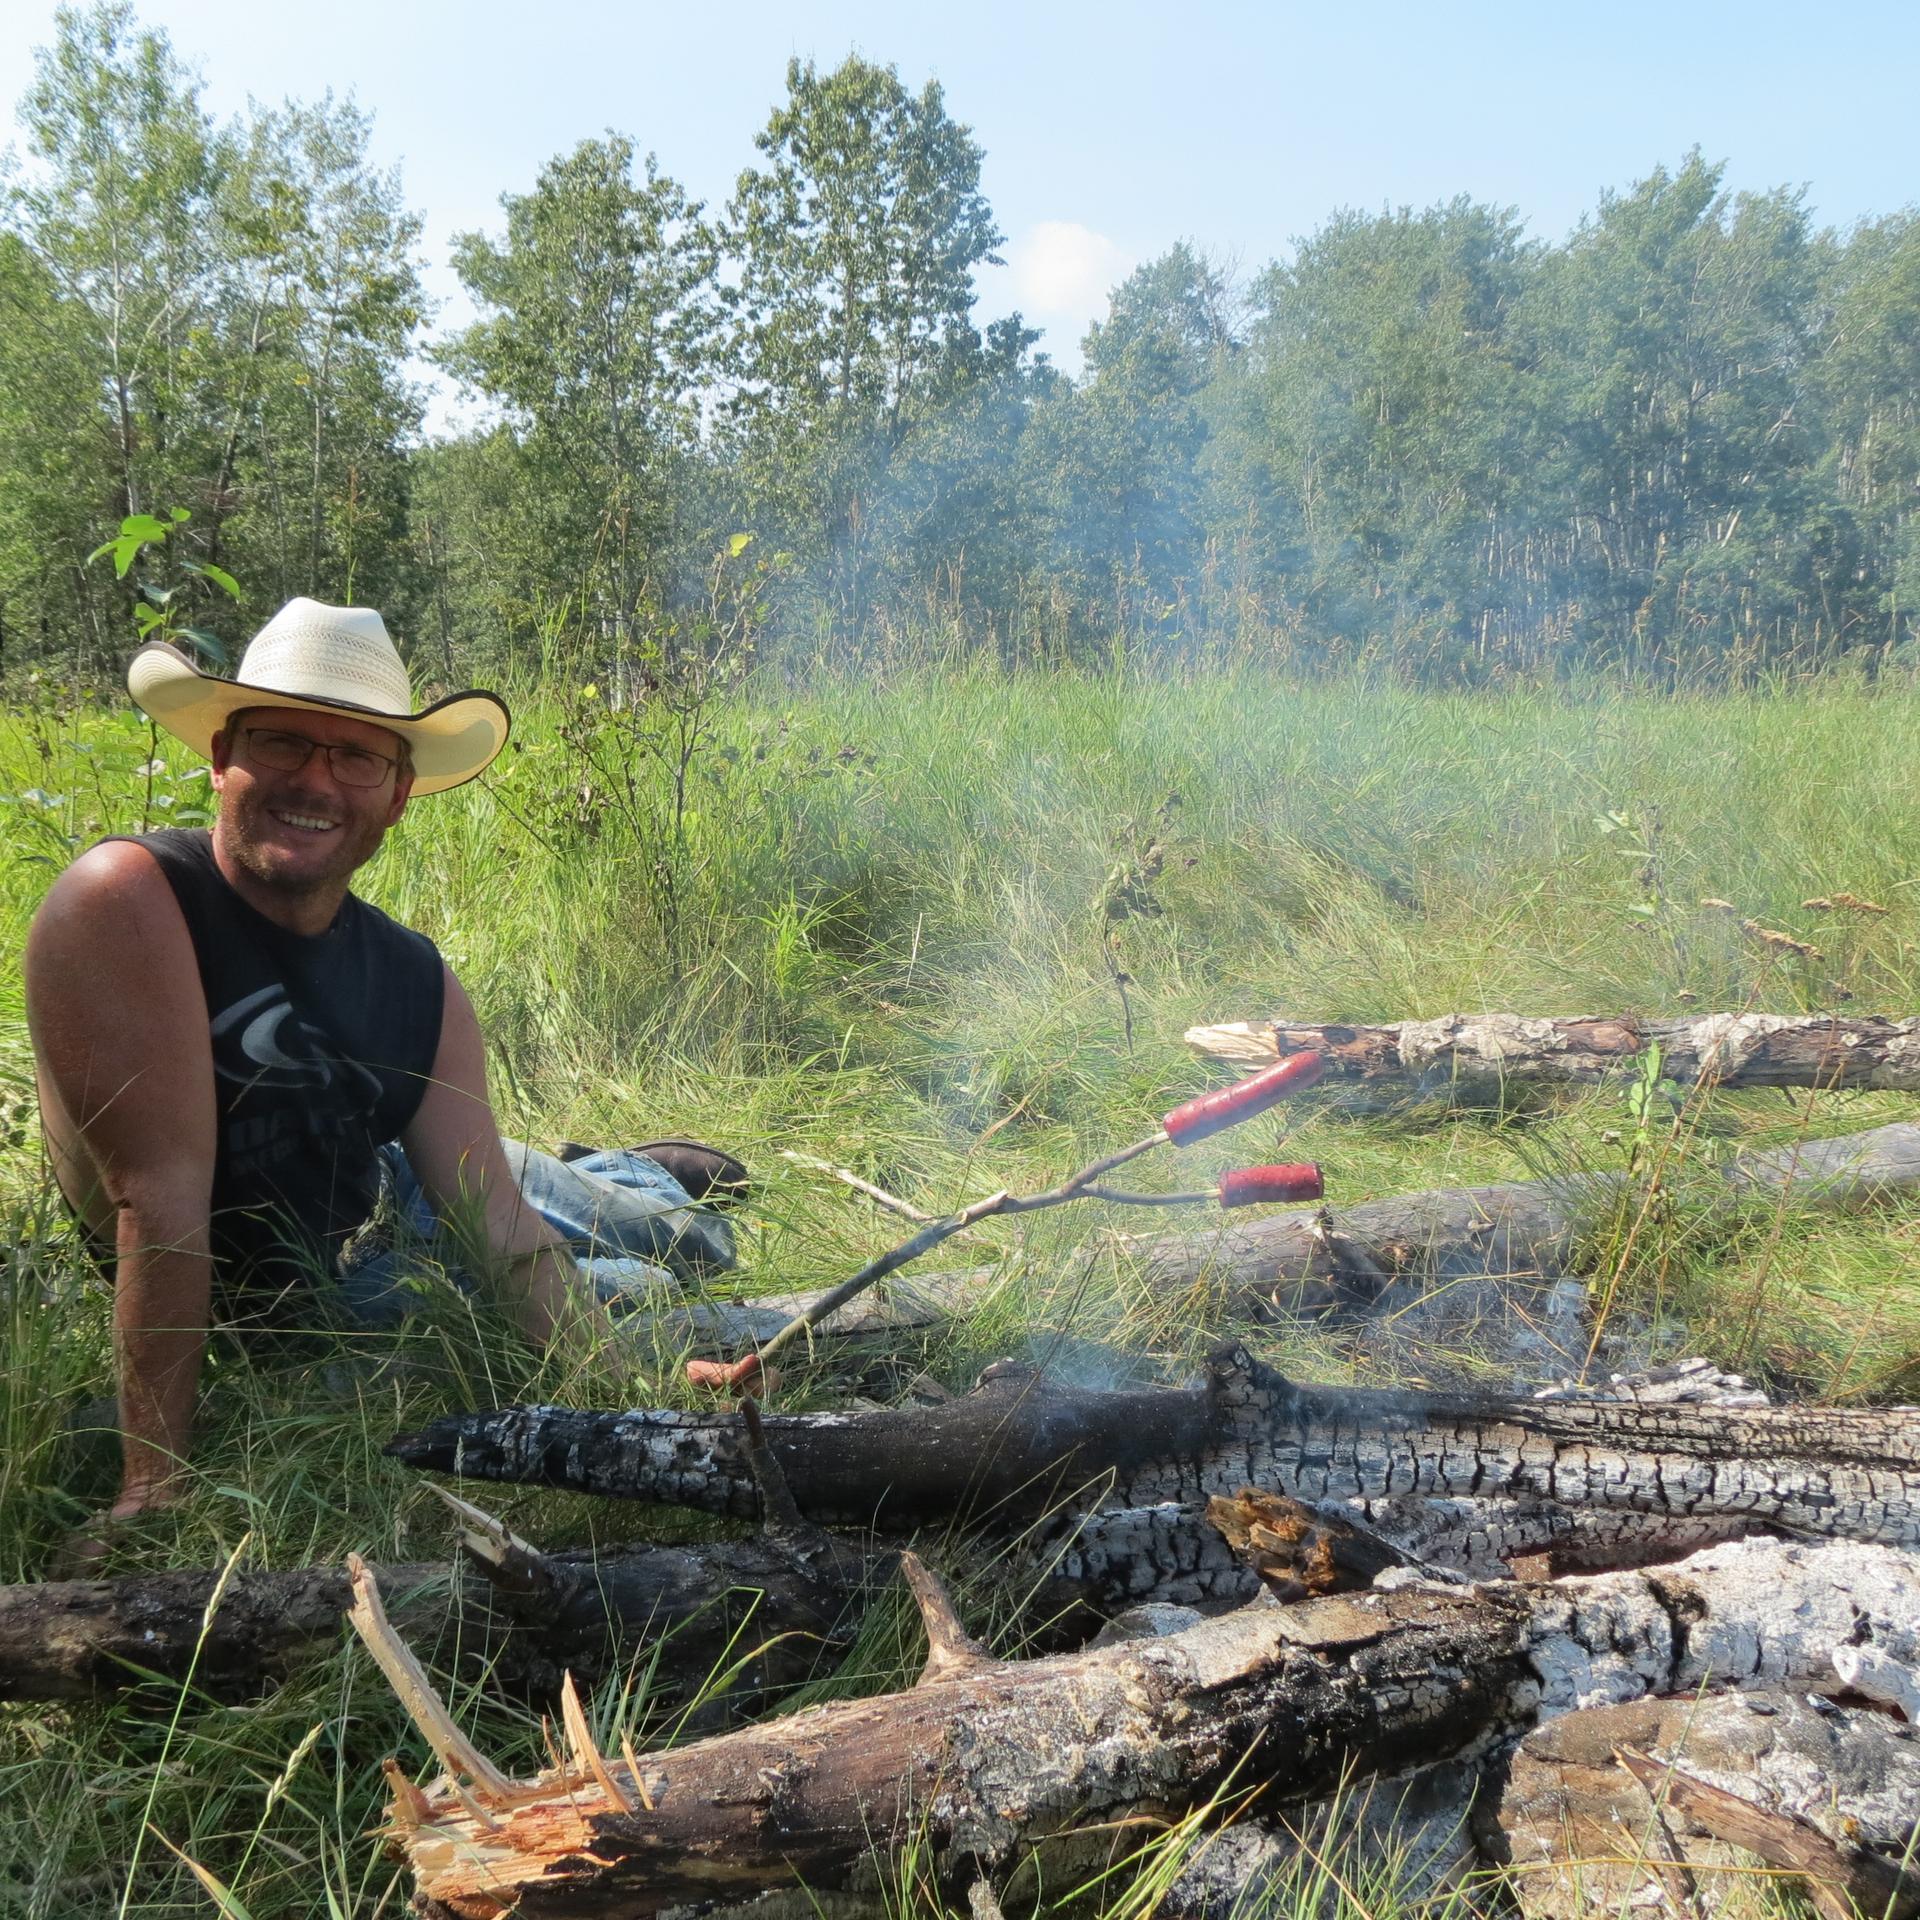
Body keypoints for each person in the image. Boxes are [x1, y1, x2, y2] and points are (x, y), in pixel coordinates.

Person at [24, 598, 740, 1552]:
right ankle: (592, 1185)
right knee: (641, 1299)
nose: (315, 780)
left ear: (398, 794)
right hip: (325, 1287)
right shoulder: (130, 902)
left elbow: (491, 1223)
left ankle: (625, 1172)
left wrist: (621, 1392)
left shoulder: (418, 982)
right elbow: (157, 1202)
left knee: (700, 1246)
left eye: (356, 755)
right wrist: (154, 1486)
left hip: (395, 1186)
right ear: (220, 759)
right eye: (282, 742)